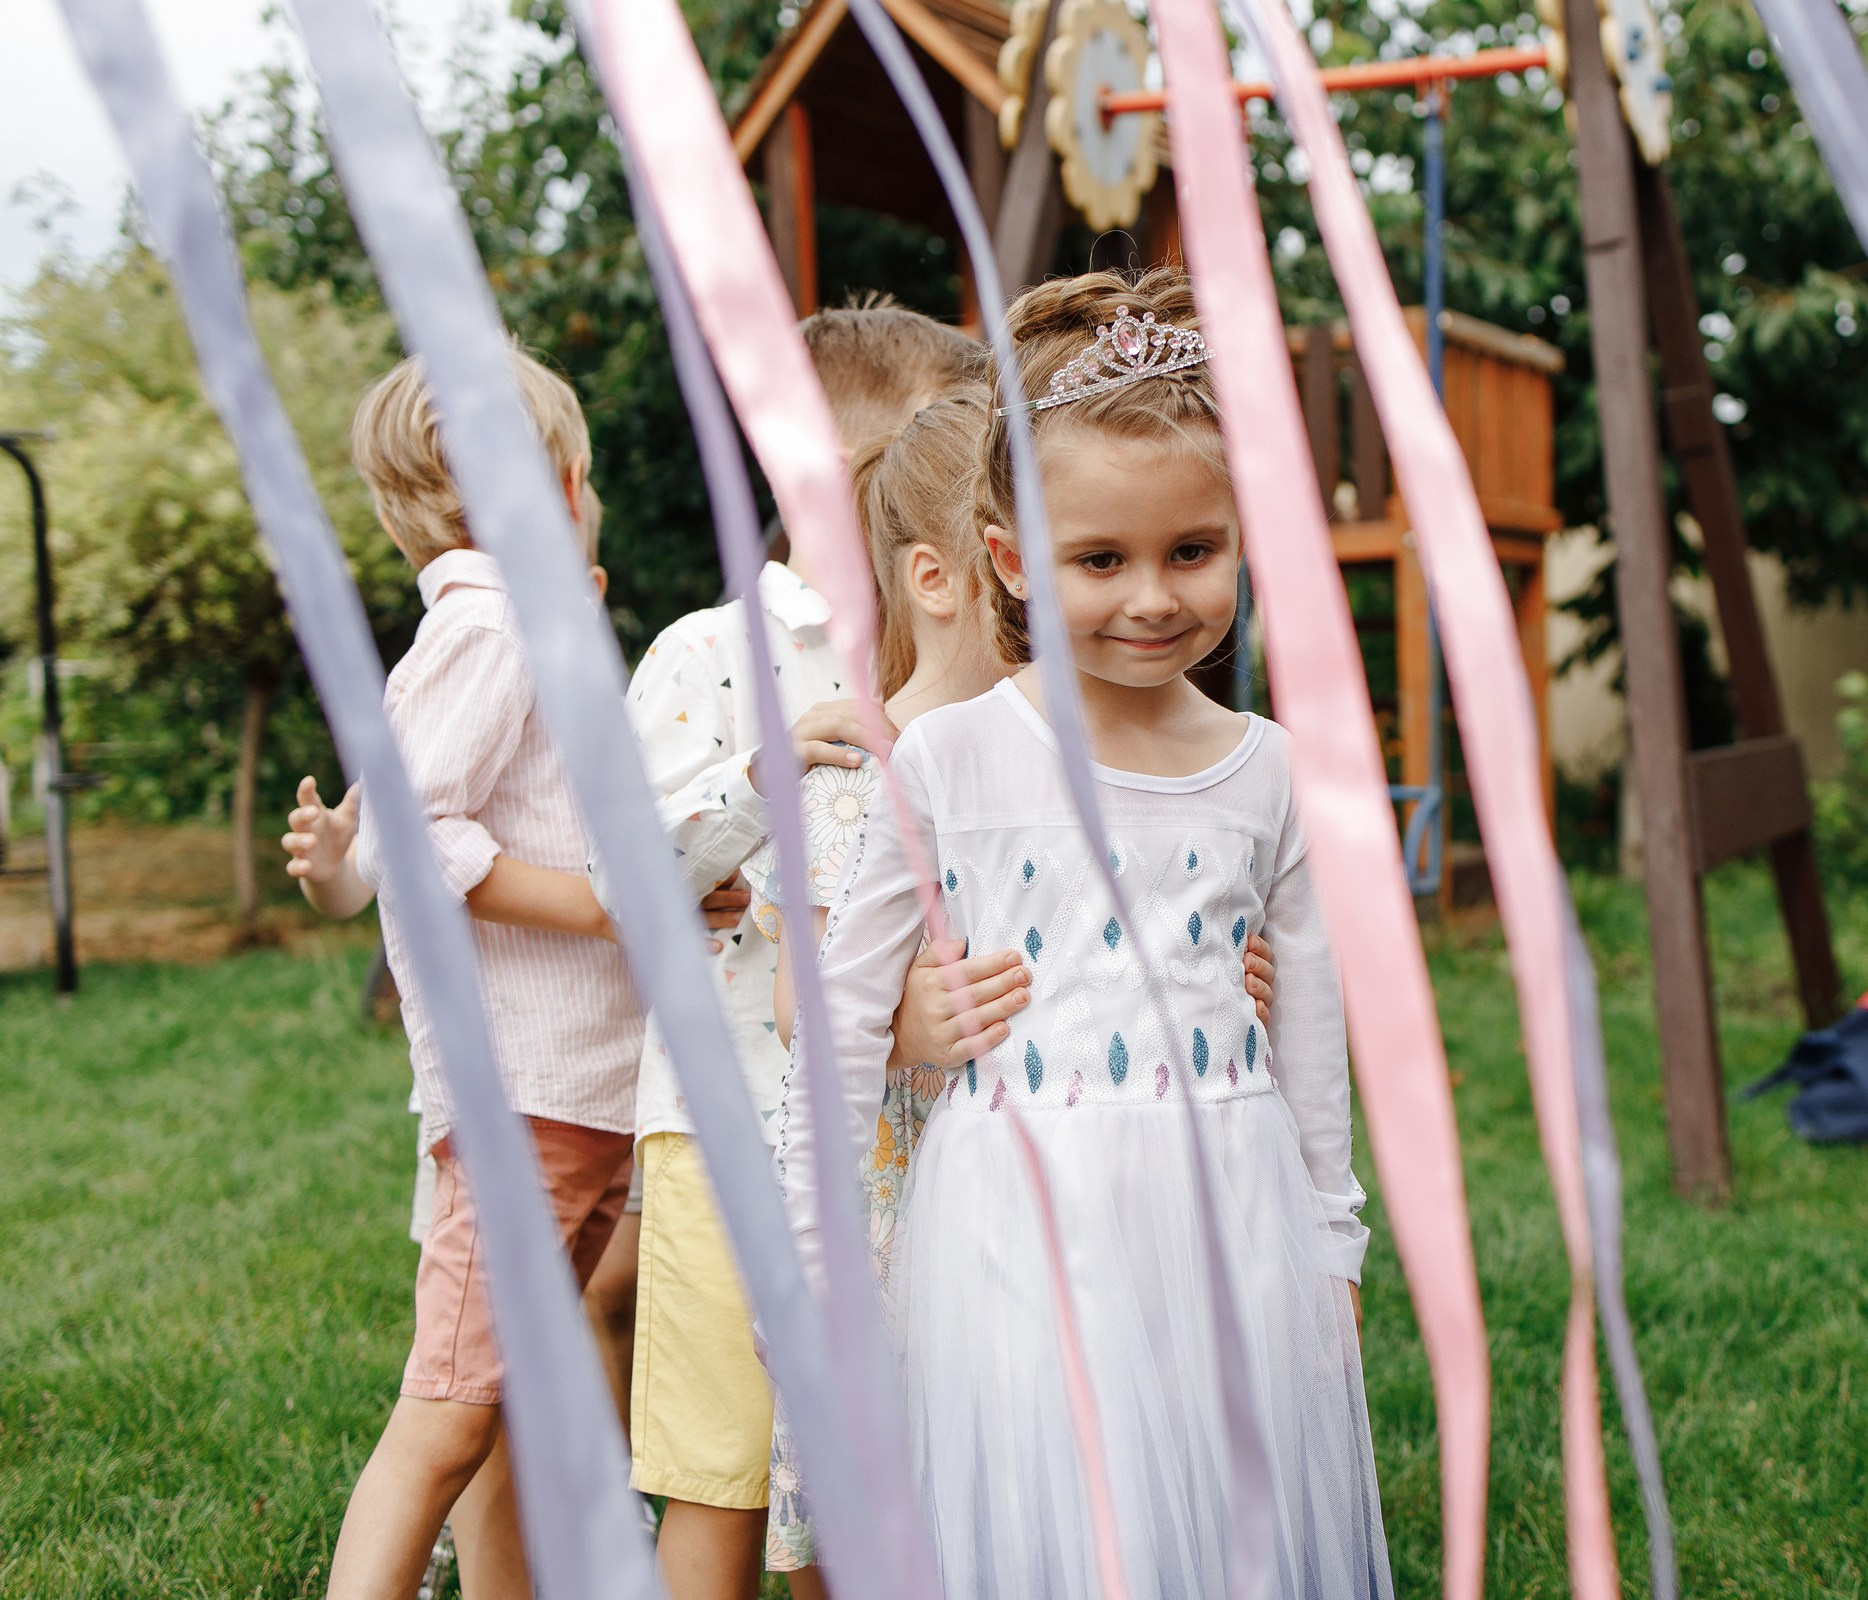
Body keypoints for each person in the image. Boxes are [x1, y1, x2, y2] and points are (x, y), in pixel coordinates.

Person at [784, 267, 1390, 1597]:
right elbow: (833, 1020)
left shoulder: (1268, 769)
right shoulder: (947, 763)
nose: (1152, 599)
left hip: (1228, 1222)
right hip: (1021, 1228)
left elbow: (1315, 1023)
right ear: (1009, 559)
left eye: (1192, 551)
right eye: (1098, 561)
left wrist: (1329, 1242)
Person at [614, 305, 986, 1600]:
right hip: (724, 1130)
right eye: (929, 463)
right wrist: (756, 786)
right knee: (719, 1479)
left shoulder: (959, 661)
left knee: (844, 1492)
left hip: (891, 1144)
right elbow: (624, 870)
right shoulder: (708, 655)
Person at [318, 350, 642, 1600]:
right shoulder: (493, 625)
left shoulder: (506, 627)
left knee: (508, 1401)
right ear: (563, 489)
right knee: (448, 1411)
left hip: (567, 1094)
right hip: (532, 1095)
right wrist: (606, 909)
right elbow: (419, 834)